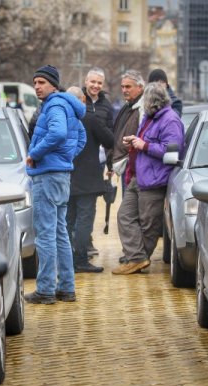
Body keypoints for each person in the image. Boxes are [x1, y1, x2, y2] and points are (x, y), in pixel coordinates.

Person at [24, 65, 87, 304]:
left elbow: (59, 133)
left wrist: (36, 153)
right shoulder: (65, 105)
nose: (37, 86)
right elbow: (80, 136)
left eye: (41, 82)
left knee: (46, 235)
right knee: (60, 232)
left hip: (48, 175)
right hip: (59, 174)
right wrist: (66, 157)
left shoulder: (55, 105)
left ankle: (46, 290)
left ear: (53, 84)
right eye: (35, 82)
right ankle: (66, 288)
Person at [112, 82, 184, 275]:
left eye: (145, 100)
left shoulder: (170, 120)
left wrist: (144, 145)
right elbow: (144, 141)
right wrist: (134, 142)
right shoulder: (150, 118)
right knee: (124, 216)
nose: (142, 103)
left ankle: (137, 259)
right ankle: (137, 257)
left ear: (152, 101)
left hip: (154, 180)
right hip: (138, 175)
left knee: (148, 223)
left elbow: (172, 153)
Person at [65, 86, 114, 274]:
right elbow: (109, 140)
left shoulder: (62, 119)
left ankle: (67, 258)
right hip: (88, 179)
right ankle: (80, 259)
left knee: (68, 220)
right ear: (83, 100)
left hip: (66, 176)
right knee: (84, 220)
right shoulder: (90, 119)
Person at [82, 67, 115, 257]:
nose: (95, 86)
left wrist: (110, 166)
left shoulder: (106, 105)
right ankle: (80, 241)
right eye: (92, 82)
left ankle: (87, 240)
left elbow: (110, 136)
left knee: (91, 203)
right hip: (79, 160)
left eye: (99, 83)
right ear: (86, 82)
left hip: (98, 162)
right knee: (79, 203)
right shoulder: (78, 100)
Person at [106, 70, 145, 194]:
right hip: (127, 165)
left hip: (136, 166)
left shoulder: (143, 108)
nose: (124, 90)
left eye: (128, 86)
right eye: (122, 87)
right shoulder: (128, 106)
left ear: (140, 87)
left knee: (129, 210)